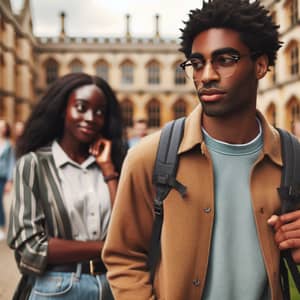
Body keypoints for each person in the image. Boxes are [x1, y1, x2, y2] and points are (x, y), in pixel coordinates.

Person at [102, 1, 300, 299]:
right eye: (196, 63)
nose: (206, 75)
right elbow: (124, 257)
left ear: (260, 65)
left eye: (225, 60)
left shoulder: (294, 158)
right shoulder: (150, 157)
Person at [7, 73, 126, 299]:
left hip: (111, 288)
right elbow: (31, 248)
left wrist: (109, 170)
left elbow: (128, 228)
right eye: (81, 107)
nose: (91, 117)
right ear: (63, 109)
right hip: (57, 289)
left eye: (99, 111)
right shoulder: (33, 165)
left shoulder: (114, 165)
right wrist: (107, 248)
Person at [0, 120, 15, 240]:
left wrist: (10, 180)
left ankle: (2, 227)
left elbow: (11, 163)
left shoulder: (9, 144)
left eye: (3, 127)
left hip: (2, 177)